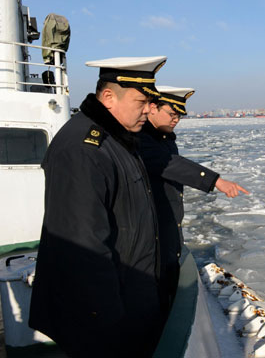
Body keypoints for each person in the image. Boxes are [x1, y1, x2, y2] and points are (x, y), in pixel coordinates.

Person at [29, 56, 169, 357]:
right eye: (141, 101)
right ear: (108, 97)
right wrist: (108, 322)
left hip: (129, 300)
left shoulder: (116, 139)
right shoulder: (84, 149)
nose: (148, 109)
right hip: (106, 317)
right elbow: (83, 245)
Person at [137, 86, 249, 307]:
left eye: (179, 115)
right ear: (152, 109)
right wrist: (216, 181)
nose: (176, 119)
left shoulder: (163, 137)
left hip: (167, 221)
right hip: (150, 226)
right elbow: (168, 164)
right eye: (172, 114)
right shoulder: (141, 138)